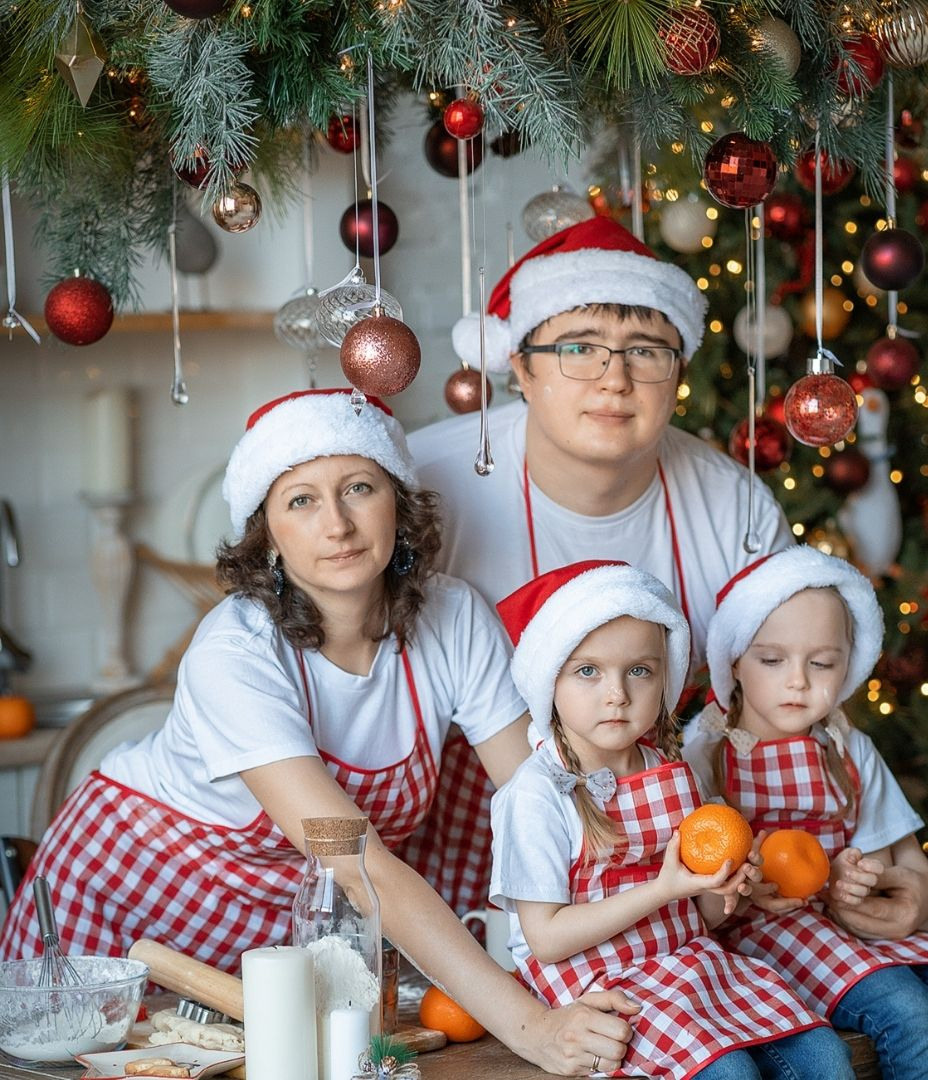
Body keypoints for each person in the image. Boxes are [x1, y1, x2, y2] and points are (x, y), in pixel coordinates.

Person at [0, 389, 637, 1076]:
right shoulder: (234, 654)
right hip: (133, 898)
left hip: (288, 932)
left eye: (358, 488)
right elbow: (363, 872)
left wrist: (662, 882)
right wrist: (532, 1028)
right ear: (267, 534)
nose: (337, 524)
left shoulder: (453, 619)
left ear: (398, 501)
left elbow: (543, 796)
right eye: (300, 500)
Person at [400, 216, 793, 915]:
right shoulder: (425, 486)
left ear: (679, 371)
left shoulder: (733, 504)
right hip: (446, 852)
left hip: (665, 861)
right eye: (578, 348)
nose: (615, 379)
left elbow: (789, 695)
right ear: (520, 365)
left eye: (647, 351)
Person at [491, 560, 855, 1080]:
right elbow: (546, 938)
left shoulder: (673, 772)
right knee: (729, 1074)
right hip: (597, 985)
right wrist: (662, 890)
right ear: (549, 679)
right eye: (587, 670)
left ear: (665, 677)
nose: (617, 693)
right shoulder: (535, 793)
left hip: (685, 963)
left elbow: (698, 919)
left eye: (639, 670)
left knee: (825, 1057)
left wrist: (724, 886)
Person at [682, 546, 928, 1079]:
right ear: (734, 662)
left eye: (822, 663)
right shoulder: (705, 753)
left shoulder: (847, 747)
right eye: (772, 660)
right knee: (908, 1013)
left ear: (849, 663)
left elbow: (905, 862)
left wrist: (874, 880)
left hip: (854, 923)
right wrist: (746, 883)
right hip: (767, 935)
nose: (798, 681)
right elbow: (695, 886)